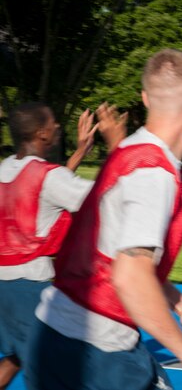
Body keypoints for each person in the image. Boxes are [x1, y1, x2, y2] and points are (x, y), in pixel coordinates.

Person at [23, 49, 182, 389]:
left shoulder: (130, 153)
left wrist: (178, 300)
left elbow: (115, 249)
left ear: (145, 98)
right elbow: (129, 276)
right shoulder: (152, 172)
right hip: (97, 349)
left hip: (53, 334)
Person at [0, 102, 124, 390]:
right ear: (43, 133)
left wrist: (80, 151)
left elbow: (43, 191)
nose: (58, 126)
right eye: (54, 122)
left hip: (2, 288)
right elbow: (103, 200)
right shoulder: (50, 177)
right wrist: (116, 147)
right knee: (56, 369)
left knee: (17, 357)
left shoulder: (6, 169)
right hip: (29, 288)